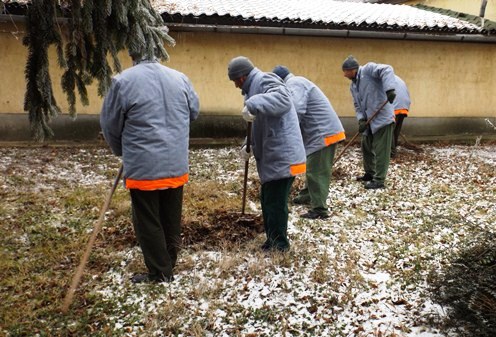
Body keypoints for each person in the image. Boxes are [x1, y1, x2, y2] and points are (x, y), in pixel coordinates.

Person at [100, 53, 200, 283]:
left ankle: (160, 272)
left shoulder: (122, 82)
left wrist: (120, 150)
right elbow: (193, 112)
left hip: (144, 166)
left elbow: (110, 125)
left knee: (148, 220)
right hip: (176, 163)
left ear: (133, 54)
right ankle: (168, 263)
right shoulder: (180, 78)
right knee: (170, 217)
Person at [228, 56, 306, 252]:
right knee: (268, 198)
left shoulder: (265, 80)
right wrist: (249, 145)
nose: (236, 86)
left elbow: (283, 100)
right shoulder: (251, 90)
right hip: (273, 155)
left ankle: (280, 244)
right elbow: (259, 124)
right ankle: (272, 239)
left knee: (275, 202)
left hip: (283, 154)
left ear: (242, 76)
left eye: (235, 81)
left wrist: (253, 103)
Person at [272, 65, 345, 220]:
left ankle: (319, 209)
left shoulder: (295, 84)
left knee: (316, 171)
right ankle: (307, 195)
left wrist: (288, 133)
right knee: (313, 166)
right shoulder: (296, 83)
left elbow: (296, 110)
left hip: (322, 133)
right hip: (320, 132)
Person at [342, 55, 396, 190]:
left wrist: (389, 89)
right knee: (366, 146)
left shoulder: (368, 70)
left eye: (345, 71)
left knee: (381, 150)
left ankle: (379, 180)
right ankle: (370, 173)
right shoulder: (353, 86)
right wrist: (361, 119)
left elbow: (387, 69)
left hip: (382, 118)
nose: (344, 75)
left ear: (352, 69)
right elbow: (357, 105)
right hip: (368, 121)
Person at [391, 75, 411, 158]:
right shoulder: (398, 79)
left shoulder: (386, 80)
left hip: (395, 106)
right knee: (396, 130)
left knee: (389, 131)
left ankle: (391, 152)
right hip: (404, 106)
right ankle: (393, 148)